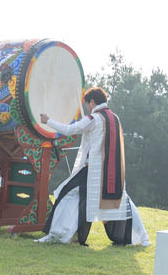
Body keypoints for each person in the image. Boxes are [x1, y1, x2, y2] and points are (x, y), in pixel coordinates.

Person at [38, 87, 151, 247]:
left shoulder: (94, 118)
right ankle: (141, 237)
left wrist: (48, 120)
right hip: (114, 172)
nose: (87, 108)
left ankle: (59, 234)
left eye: (87, 104)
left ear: (92, 102)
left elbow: (70, 130)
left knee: (68, 195)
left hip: (94, 172)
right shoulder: (115, 118)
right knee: (122, 201)